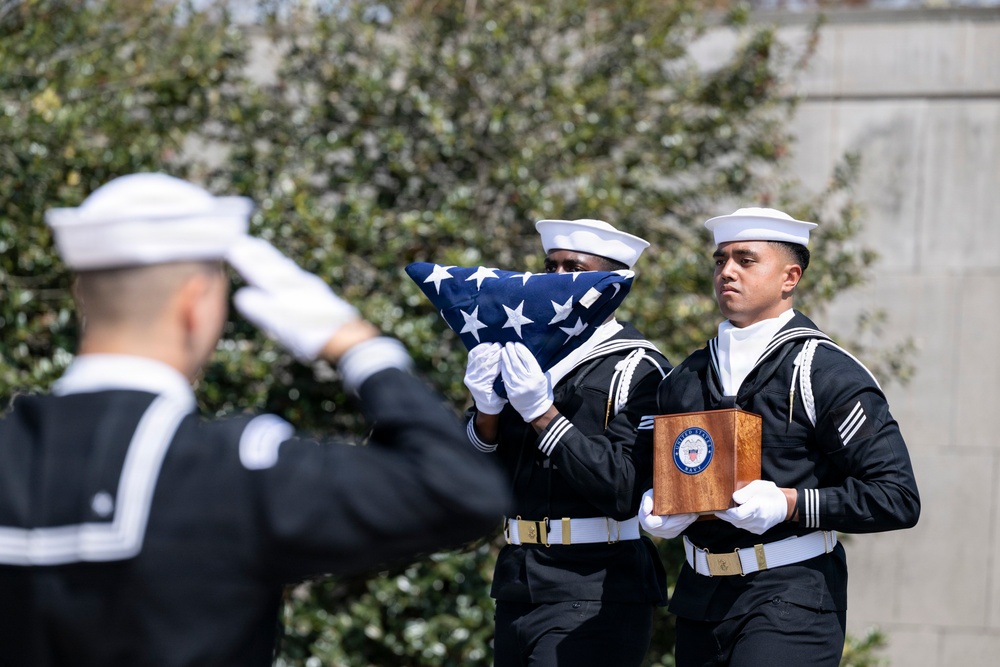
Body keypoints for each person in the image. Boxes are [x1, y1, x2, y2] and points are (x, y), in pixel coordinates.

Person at [0, 173, 509, 667]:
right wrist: (360, 349)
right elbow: (461, 490)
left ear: (81, 296)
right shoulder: (230, 472)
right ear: (195, 303)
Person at [637, 207, 921, 666]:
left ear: (790, 277)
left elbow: (896, 497)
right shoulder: (684, 377)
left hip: (790, 601)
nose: (726, 271)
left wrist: (790, 503)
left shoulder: (826, 373)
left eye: (745, 260)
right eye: (720, 259)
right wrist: (660, 505)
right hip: (700, 601)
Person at [463, 218, 672, 667]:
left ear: (609, 284)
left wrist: (543, 415)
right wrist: (486, 411)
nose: (555, 280)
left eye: (572, 268)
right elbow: (476, 481)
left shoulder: (637, 367)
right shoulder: (525, 353)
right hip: (520, 581)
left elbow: (625, 488)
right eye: (550, 267)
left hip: (596, 586)